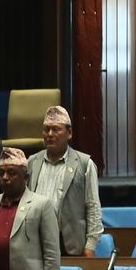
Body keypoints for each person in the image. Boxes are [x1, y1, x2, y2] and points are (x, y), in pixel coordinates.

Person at [26, 106, 104, 257]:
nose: (50, 134)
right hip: (36, 241)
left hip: (69, 243)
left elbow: (93, 207)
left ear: (69, 133)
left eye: (56, 129)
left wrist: (91, 246)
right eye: (46, 129)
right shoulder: (32, 162)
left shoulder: (84, 164)